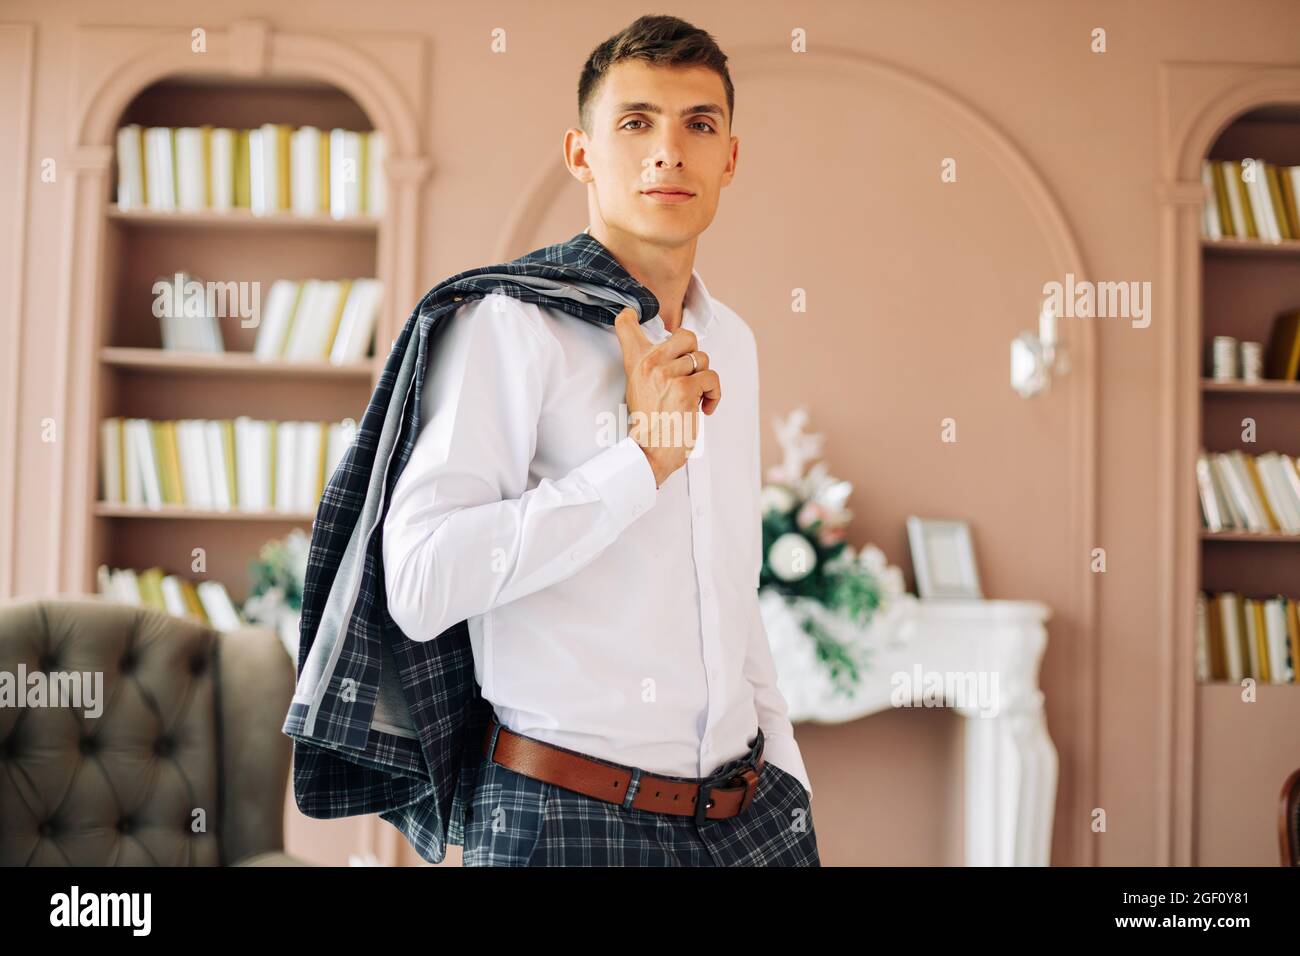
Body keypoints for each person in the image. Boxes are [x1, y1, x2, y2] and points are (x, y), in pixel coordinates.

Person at [382, 13, 819, 866]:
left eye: (699, 124)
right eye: (635, 123)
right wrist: (641, 463)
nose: (668, 151)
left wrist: (789, 779)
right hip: (562, 818)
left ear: (731, 157)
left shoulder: (732, 341)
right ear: (581, 153)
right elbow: (422, 580)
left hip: (747, 820)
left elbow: (730, 581)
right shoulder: (508, 325)